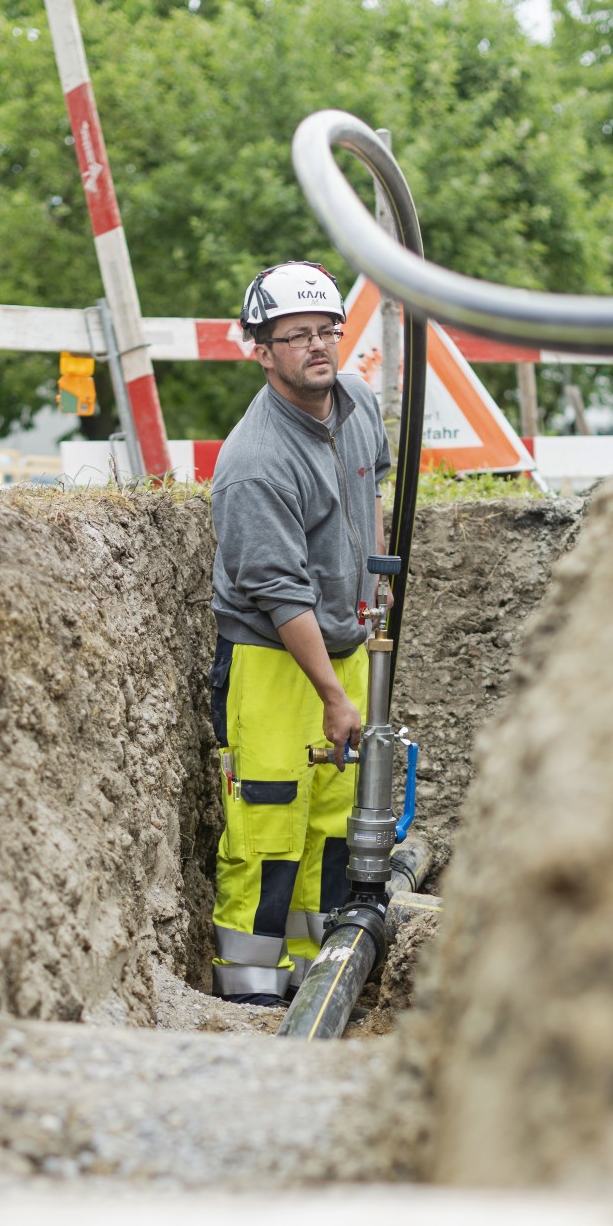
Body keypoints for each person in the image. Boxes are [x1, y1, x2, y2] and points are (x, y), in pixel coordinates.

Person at [209, 262, 391, 1005]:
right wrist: (331, 693)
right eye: (296, 336)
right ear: (261, 349)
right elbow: (279, 595)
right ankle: (251, 990)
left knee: (331, 819)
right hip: (272, 661)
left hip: (344, 643)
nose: (318, 346)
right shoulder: (254, 463)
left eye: (327, 331)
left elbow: (371, 492)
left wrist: (374, 601)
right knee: (269, 822)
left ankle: (321, 971)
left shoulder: (356, 403)